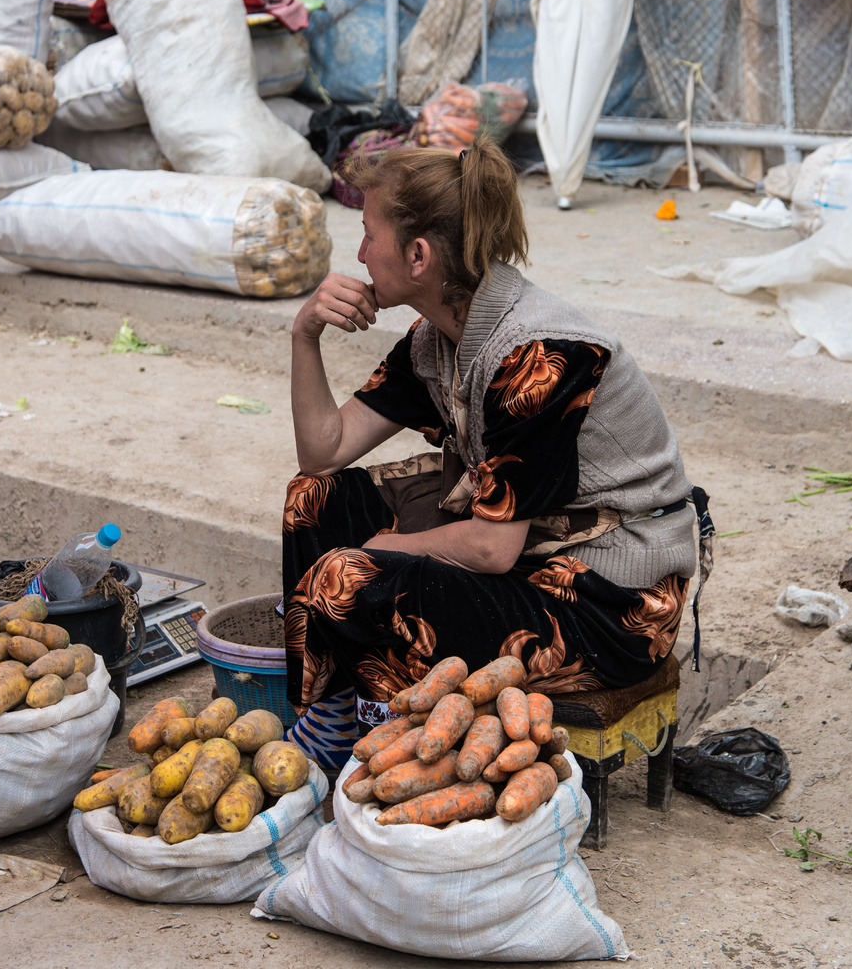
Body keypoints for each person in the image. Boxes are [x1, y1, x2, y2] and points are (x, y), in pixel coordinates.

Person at [282, 139, 714, 768]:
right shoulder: (439, 338)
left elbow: (491, 548)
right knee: (315, 502)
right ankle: (334, 713)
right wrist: (304, 334)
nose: (359, 253)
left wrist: (384, 549)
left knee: (351, 574)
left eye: (368, 234)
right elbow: (324, 453)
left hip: (612, 602)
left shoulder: (540, 355)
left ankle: (368, 738)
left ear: (419, 255)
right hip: (536, 550)